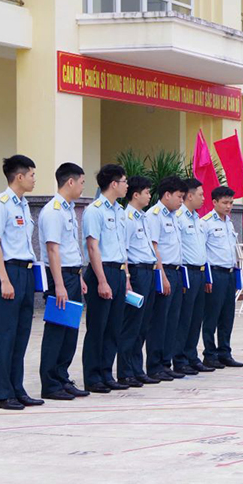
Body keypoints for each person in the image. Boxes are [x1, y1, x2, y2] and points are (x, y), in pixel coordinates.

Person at [0, 155, 43, 410]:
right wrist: (4, 280)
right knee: (6, 336)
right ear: (19, 177)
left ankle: (17, 388)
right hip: (8, 272)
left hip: (26, 272)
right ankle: (3, 393)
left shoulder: (23, 205)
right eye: (31, 174)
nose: (34, 179)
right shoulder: (1, 204)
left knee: (21, 335)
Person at [38, 162, 90, 401]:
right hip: (58, 276)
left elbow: (70, 248)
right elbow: (53, 250)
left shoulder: (69, 209)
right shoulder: (53, 210)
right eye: (81, 182)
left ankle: (62, 377)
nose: (82, 187)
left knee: (70, 331)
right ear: (70, 181)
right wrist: (59, 285)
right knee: (57, 330)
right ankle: (49, 383)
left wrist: (78, 277)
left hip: (71, 275)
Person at [81, 164, 131, 393]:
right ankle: (92, 376)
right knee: (98, 326)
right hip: (103, 270)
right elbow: (93, 247)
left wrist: (127, 277)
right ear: (113, 184)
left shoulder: (119, 211)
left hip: (119, 271)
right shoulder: (95, 210)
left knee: (114, 326)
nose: (127, 185)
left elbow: (122, 246)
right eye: (124, 181)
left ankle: (106, 372)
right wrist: (101, 280)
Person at [117, 175, 160, 387]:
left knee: (143, 324)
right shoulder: (127, 218)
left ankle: (136, 368)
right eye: (147, 192)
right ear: (136, 194)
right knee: (131, 325)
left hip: (148, 272)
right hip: (135, 272)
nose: (149, 196)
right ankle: (125, 371)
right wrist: (126, 277)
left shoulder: (143, 217)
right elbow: (123, 250)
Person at [145, 176, 187, 381]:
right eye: (179, 196)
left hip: (177, 271)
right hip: (164, 271)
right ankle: (154, 365)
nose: (181, 201)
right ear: (167, 195)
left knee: (172, 320)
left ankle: (165, 362)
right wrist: (162, 275)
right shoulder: (154, 215)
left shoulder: (174, 216)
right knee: (159, 321)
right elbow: (154, 247)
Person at [173, 178, 214, 375]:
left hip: (199, 272)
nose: (203, 198)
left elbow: (202, 249)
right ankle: (179, 358)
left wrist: (207, 276)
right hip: (186, 271)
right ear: (189, 196)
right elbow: (177, 248)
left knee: (196, 317)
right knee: (184, 318)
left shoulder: (198, 219)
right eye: (200, 195)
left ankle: (191, 356)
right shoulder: (179, 217)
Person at [202, 186, 243, 370]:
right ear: (215, 203)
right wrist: (206, 278)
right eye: (225, 203)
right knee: (212, 315)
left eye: (231, 203)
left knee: (227, 315)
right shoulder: (206, 223)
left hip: (228, 273)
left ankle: (224, 352)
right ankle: (209, 354)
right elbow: (202, 252)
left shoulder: (229, 222)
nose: (228, 206)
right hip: (215, 272)